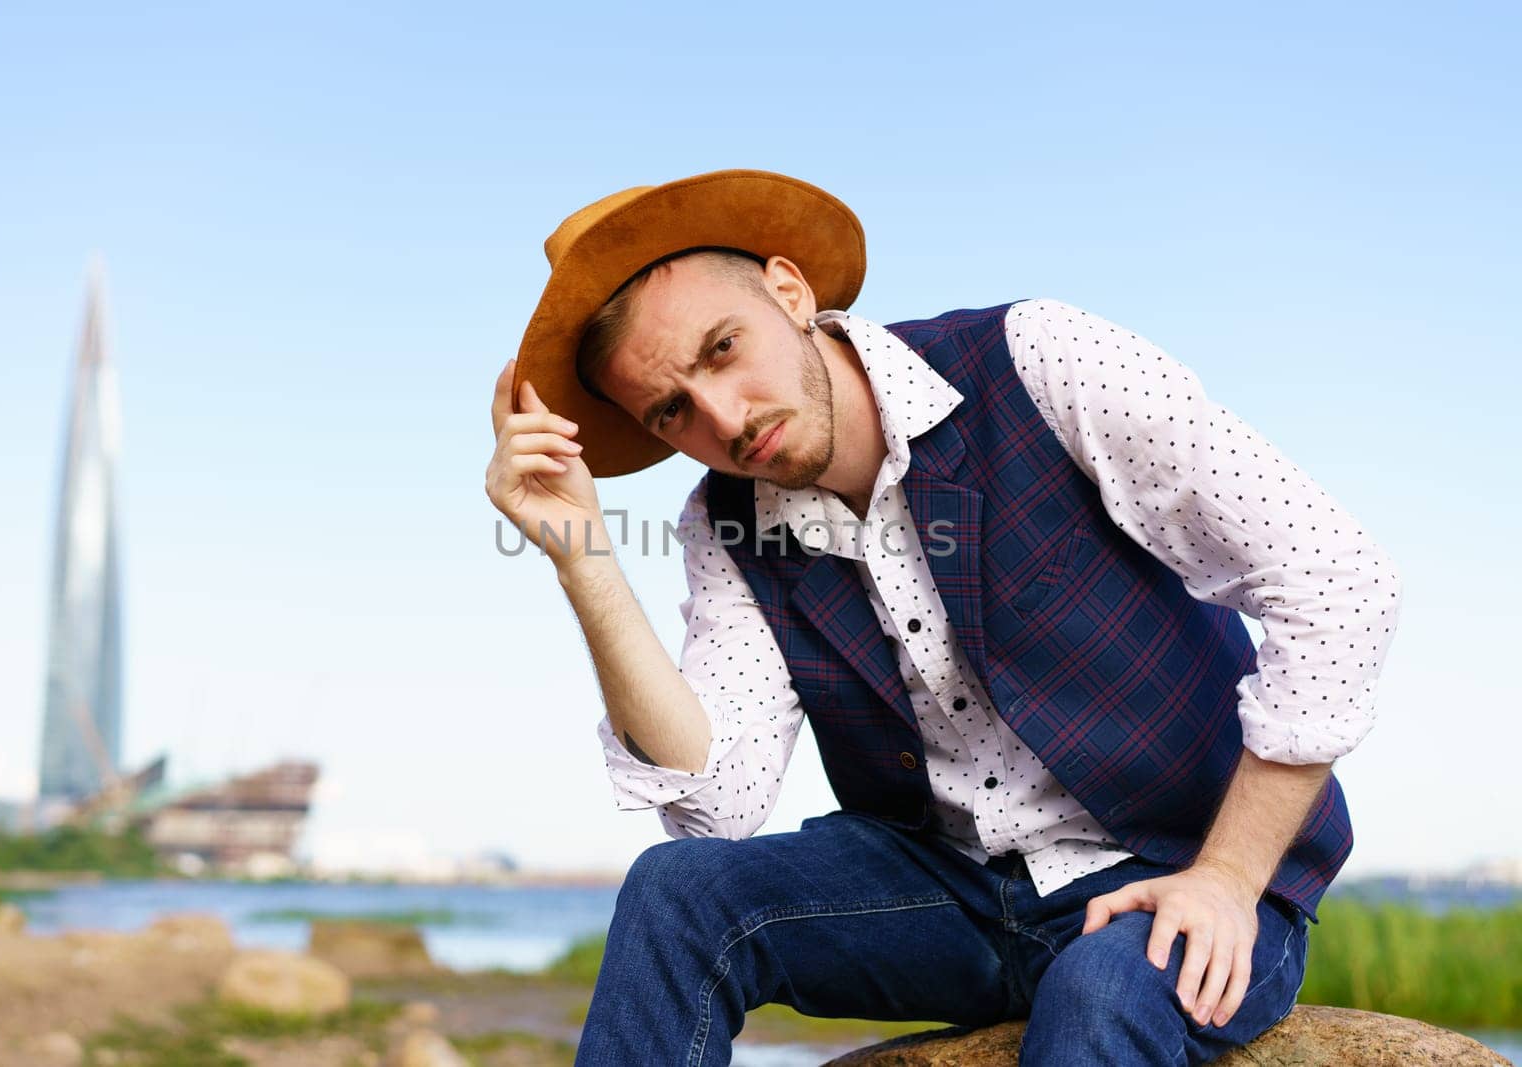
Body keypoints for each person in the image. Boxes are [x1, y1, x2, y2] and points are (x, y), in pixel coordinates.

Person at [484, 169, 1402, 1066]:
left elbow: (1339, 580)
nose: (723, 418)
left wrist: (1231, 878)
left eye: (722, 349)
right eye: (671, 409)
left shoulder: (1041, 360)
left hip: (1171, 869)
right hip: (946, 898)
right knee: (676, 893)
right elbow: (714, 807)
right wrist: (585, 558)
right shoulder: (724, 525)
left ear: (789, 290)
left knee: (1100, 992)